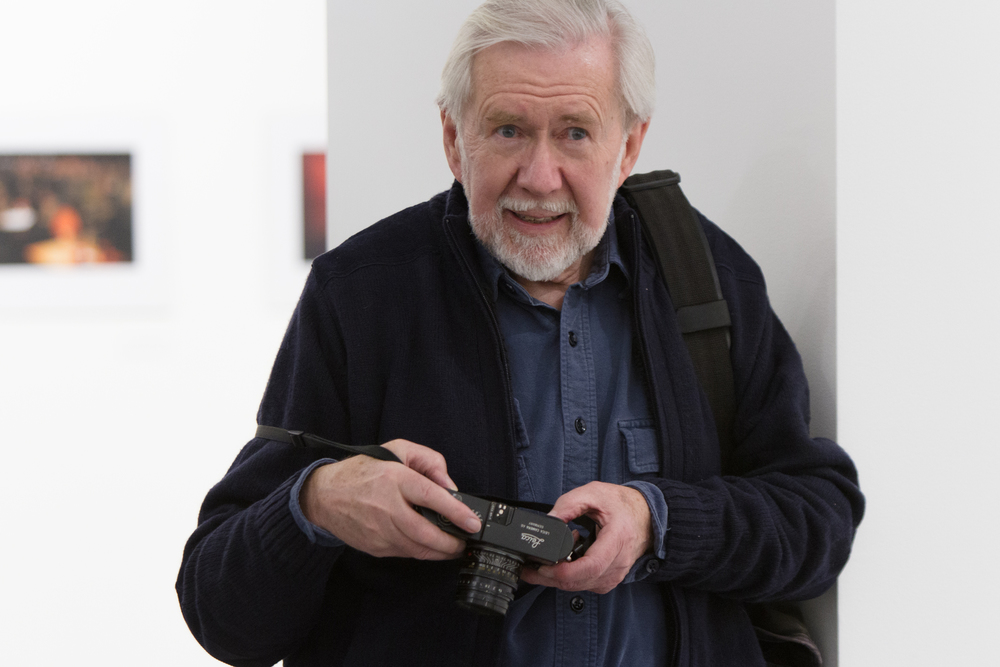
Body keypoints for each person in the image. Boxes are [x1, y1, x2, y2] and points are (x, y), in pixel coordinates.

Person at [176, 1, 864, 665]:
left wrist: (658, 522)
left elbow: (818, 522)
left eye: (575, 132)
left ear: (629, 145)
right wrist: (318, 502)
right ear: (454, 139)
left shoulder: (710, 280)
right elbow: (222, 614)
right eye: (507, 129)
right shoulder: (360, 294)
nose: (539, 177)